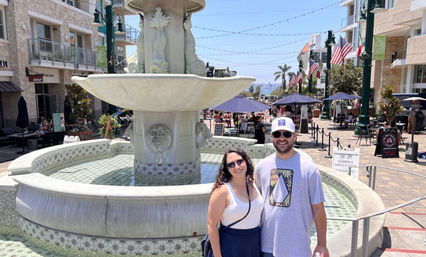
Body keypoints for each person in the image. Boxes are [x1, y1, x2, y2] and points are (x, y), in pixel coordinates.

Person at [254, 117, 329, 257]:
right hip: (266, 246)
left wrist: (322, 244)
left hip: (297, 247)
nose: (281, 138)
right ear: (271, 137)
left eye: (287, 134)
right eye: (277, 134)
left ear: (294, 136)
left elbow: (318, 208)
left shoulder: (309, 169)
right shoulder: (261, 167)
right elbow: (255, 205)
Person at [207, 148, 263, 257]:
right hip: (230, 245)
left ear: (246, 161)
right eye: (231, 164)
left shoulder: (254, 183)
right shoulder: (222, 191)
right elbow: (212, 225)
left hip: (254, 243)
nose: (237, 167)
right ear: (226, 169)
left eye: (239, 161)